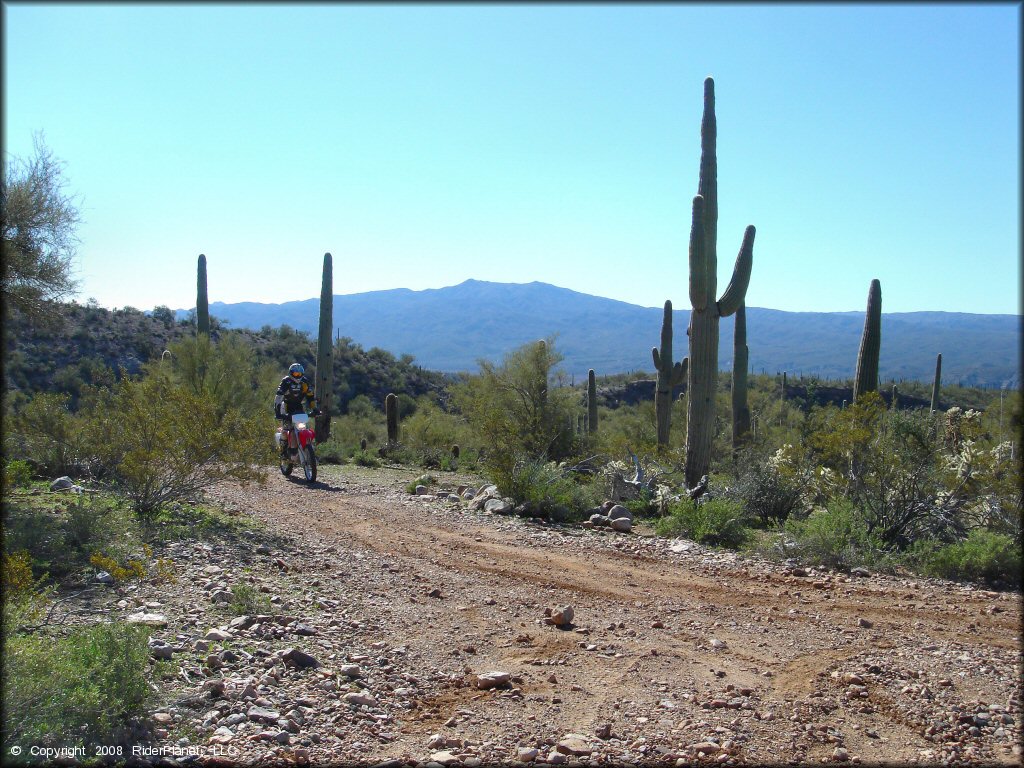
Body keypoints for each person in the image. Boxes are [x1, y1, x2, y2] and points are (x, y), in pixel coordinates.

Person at [275, 363, 319, 456]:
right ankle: (283, 451)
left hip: (298, 406)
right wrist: (278, 412)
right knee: (286, 429)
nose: (298, 376)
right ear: (291, 373)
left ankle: (302, 449)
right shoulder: (286, 381)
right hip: (286, 406)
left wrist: (315, 409)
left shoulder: (305, 382)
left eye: (300, 374)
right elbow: (279, 396)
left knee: (301, 427)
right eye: (296, 374)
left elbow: (310, 397)